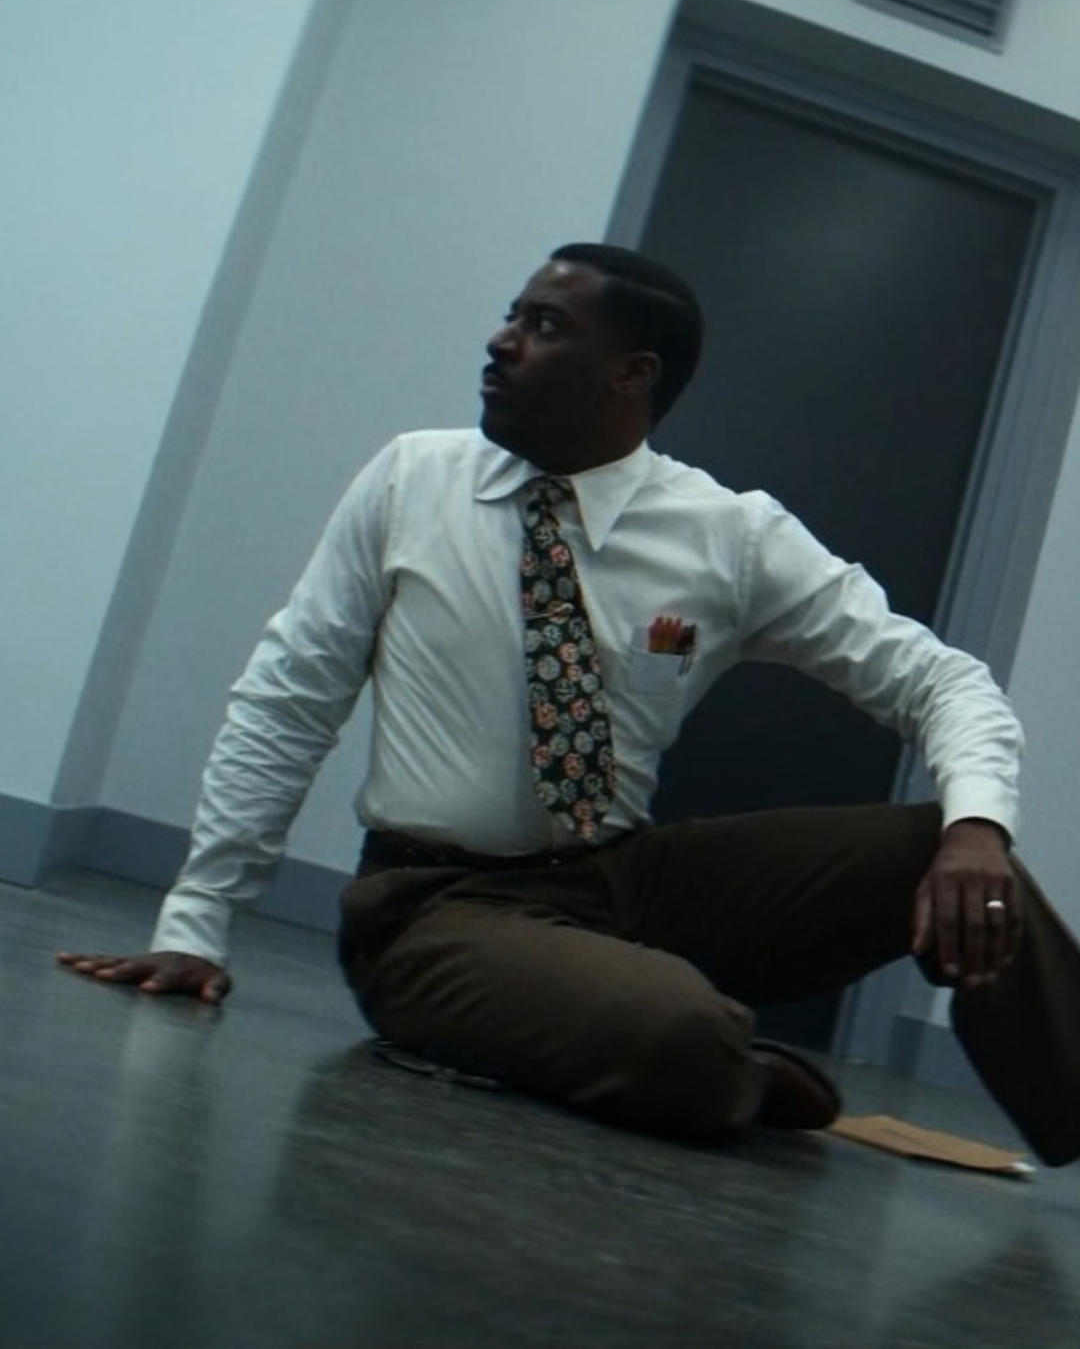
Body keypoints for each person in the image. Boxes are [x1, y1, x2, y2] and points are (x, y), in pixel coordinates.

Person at [59, 243, 1080, 1165]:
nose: (501, 341)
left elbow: (945, 680)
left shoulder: (727, 536)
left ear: (631, 375)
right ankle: (718, 1063)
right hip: (432, 908)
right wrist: (196, 923)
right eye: (513, 315)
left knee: (948, 851)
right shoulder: (412, 480)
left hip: (621, 882)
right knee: (677, 1030)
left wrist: (977, 826)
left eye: (544, 326)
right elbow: (289, 699)